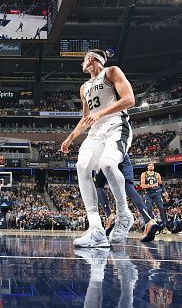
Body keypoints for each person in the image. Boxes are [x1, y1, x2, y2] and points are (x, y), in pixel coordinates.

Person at [60, 49, 135, 248]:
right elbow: (86, 120)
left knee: (108, 165)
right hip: (95, 132)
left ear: (92, 59)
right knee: (82, 165)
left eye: (84, 59)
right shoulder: (84, 87)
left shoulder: (111, 72)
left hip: (116, 126)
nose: (82, 63)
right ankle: (96, 230)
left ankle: (124, 214)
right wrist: (70, 138)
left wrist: (100, 114)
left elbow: (129, 100)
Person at [95, 154, 160, 242]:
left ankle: (109, 215)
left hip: (108, 156)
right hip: (124, 158)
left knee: (98, 185)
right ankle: (149, 220)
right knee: (128, 187)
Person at [140, 163, 168, 229]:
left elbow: (161, 184)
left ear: (154, 167)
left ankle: (165, 227)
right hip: (148, 193)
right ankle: (153, 226)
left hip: (157, 193)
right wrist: (152, 185)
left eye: (152, 165)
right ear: (147, 167)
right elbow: (142, 185)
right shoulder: (144, 174)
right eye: (149, 165)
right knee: (149, 209)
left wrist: (164, 191)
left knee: (161, 208)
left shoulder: (157, 174)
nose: (151, 166)